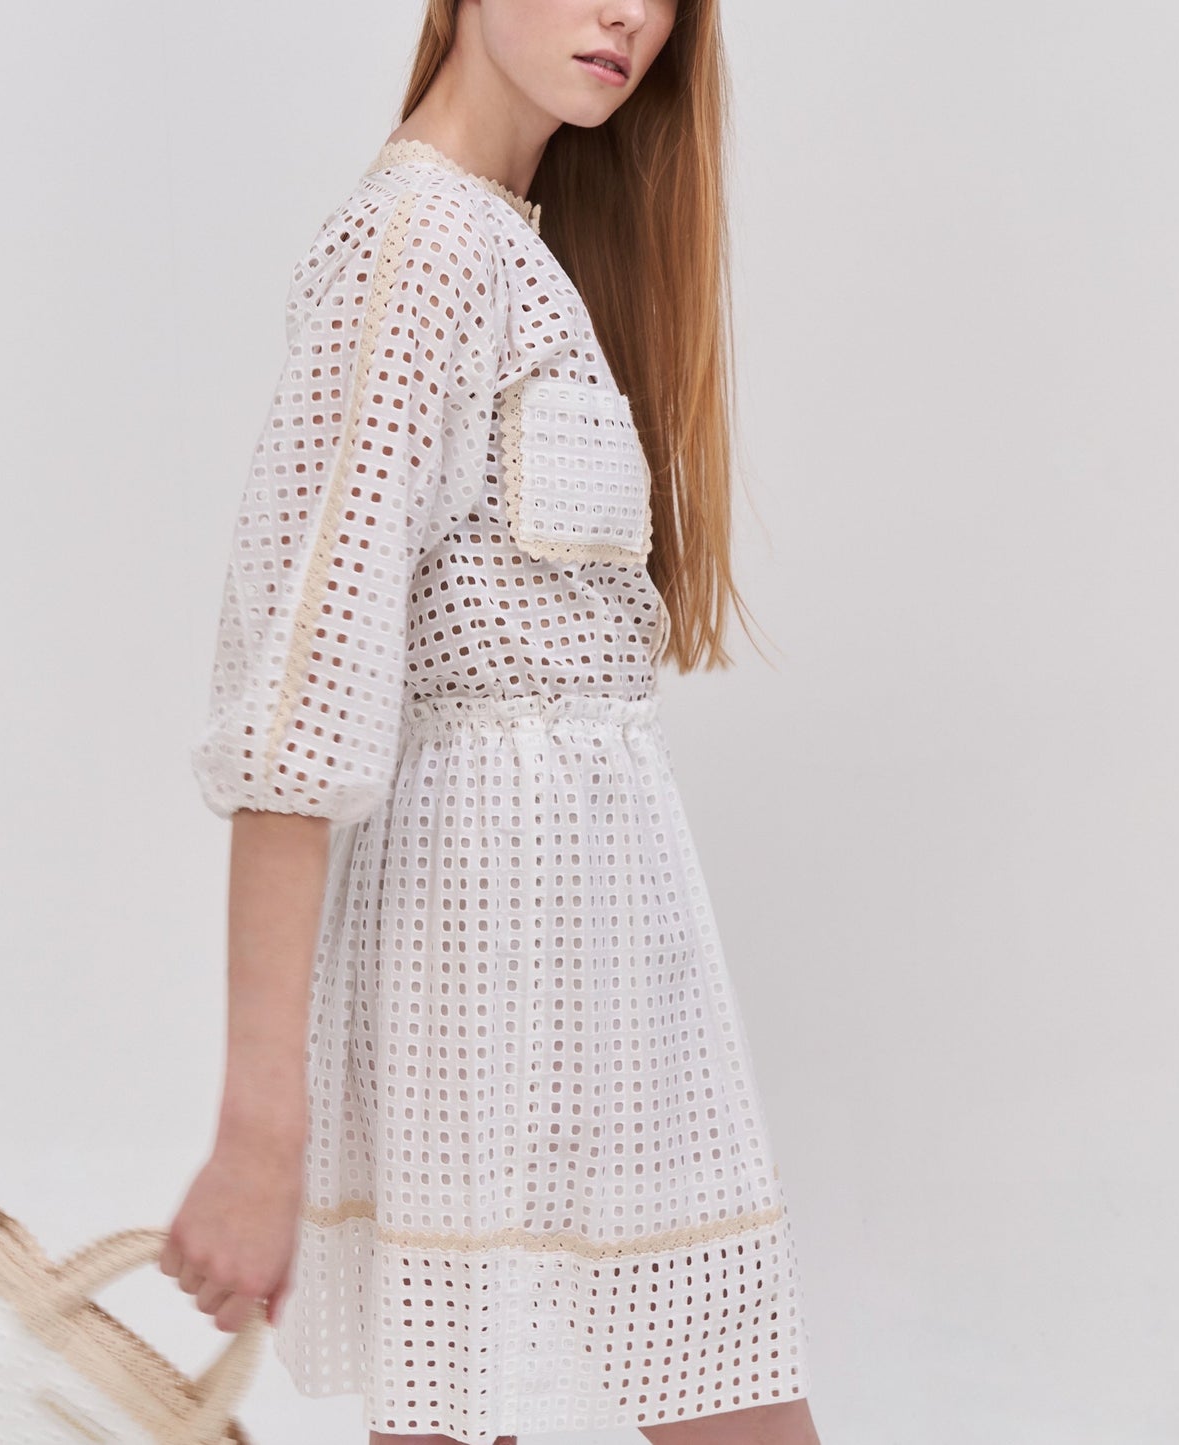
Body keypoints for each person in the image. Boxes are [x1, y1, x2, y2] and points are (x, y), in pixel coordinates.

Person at [161, 1, 820, 1441]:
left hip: (603, 958)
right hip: (472, 943)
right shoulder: (416, 247)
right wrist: (257, 1133)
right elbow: (301, 706)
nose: (628, 15)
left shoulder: (513, 247)